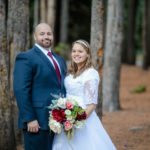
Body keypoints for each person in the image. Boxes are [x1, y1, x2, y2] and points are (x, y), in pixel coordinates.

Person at [52, 39, 116, 150]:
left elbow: (91, 105)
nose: (76, 54)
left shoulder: (91, 73)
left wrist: (76, 121)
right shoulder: (72, 72)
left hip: (83, 120)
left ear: (87, 54)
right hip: (66, 116)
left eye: (80, 51)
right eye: (74, 51)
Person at [13, 23, 67, 150]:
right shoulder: (26, 57)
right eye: (42, 34)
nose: (46, 37)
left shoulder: (60, 60)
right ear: (35, 37)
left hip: (58, 121)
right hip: (37, 122)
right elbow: (21, 90)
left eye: (49, 33)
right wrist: (29, 118)